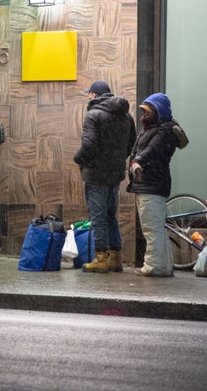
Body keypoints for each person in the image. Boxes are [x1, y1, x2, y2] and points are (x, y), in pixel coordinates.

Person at [74, 81, 136, 273]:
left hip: (96, 173)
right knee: (110, 216)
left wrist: (78, 159)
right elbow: (131, 143)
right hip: (115, 174)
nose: (88, 97)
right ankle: (115, 258)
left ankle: (101, 259)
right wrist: (116, 160)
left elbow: (89, 145)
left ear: (94, 95)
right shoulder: (126, 116)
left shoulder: (93, 115)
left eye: (89, 94)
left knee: (98, 216)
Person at [127, 93, 180, 277]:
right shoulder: (154, 127)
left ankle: (153, 266)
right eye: (143, 111)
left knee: (152, 228)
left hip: (152, 185)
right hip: (149, 184)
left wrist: (137, 162)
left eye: (147, 111)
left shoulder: (164, 130)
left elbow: (151, 150)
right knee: (156, 227)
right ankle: (163, 266)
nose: (144, 115)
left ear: (158, 111)